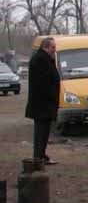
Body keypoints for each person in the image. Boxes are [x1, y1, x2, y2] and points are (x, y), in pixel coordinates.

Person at [24, 37, 61, 165]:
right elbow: (44, 82)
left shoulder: (45, 59)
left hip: (45, 104)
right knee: (41, 132)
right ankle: (38, 157)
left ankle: (41, 155)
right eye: (53, 47)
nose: (54, 50)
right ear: (46, 47)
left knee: (44, 132)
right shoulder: (40, 60)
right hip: (42, 104)